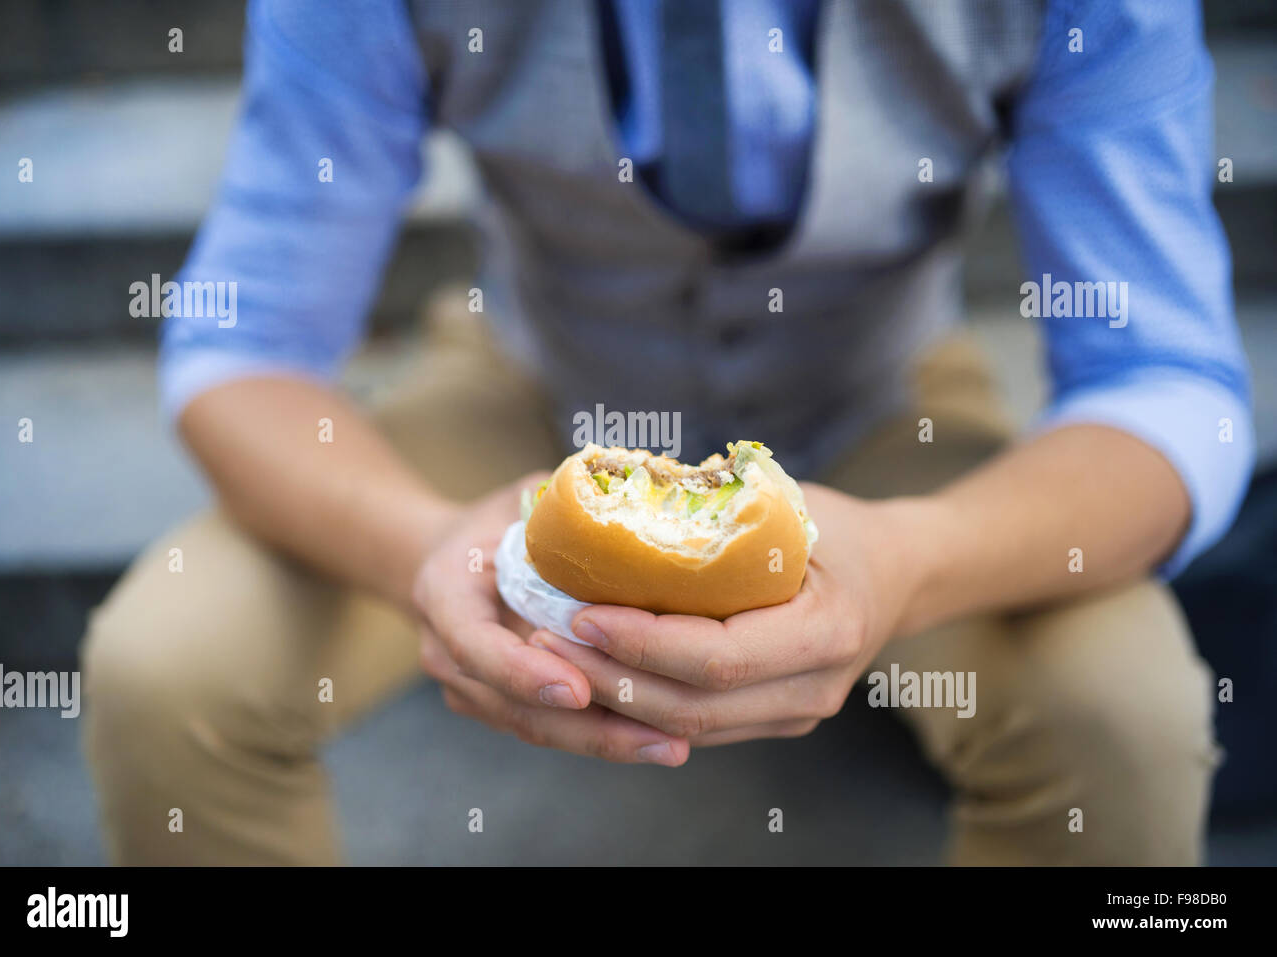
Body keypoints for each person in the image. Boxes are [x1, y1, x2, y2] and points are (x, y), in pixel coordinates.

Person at [81, 0, 1252, 865]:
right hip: (527, 386)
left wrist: (911, 562)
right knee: (165, 670)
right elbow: (249, 344)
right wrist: (422, 546)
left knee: (1121, 715)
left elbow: (1163, 378)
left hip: (880, 403)